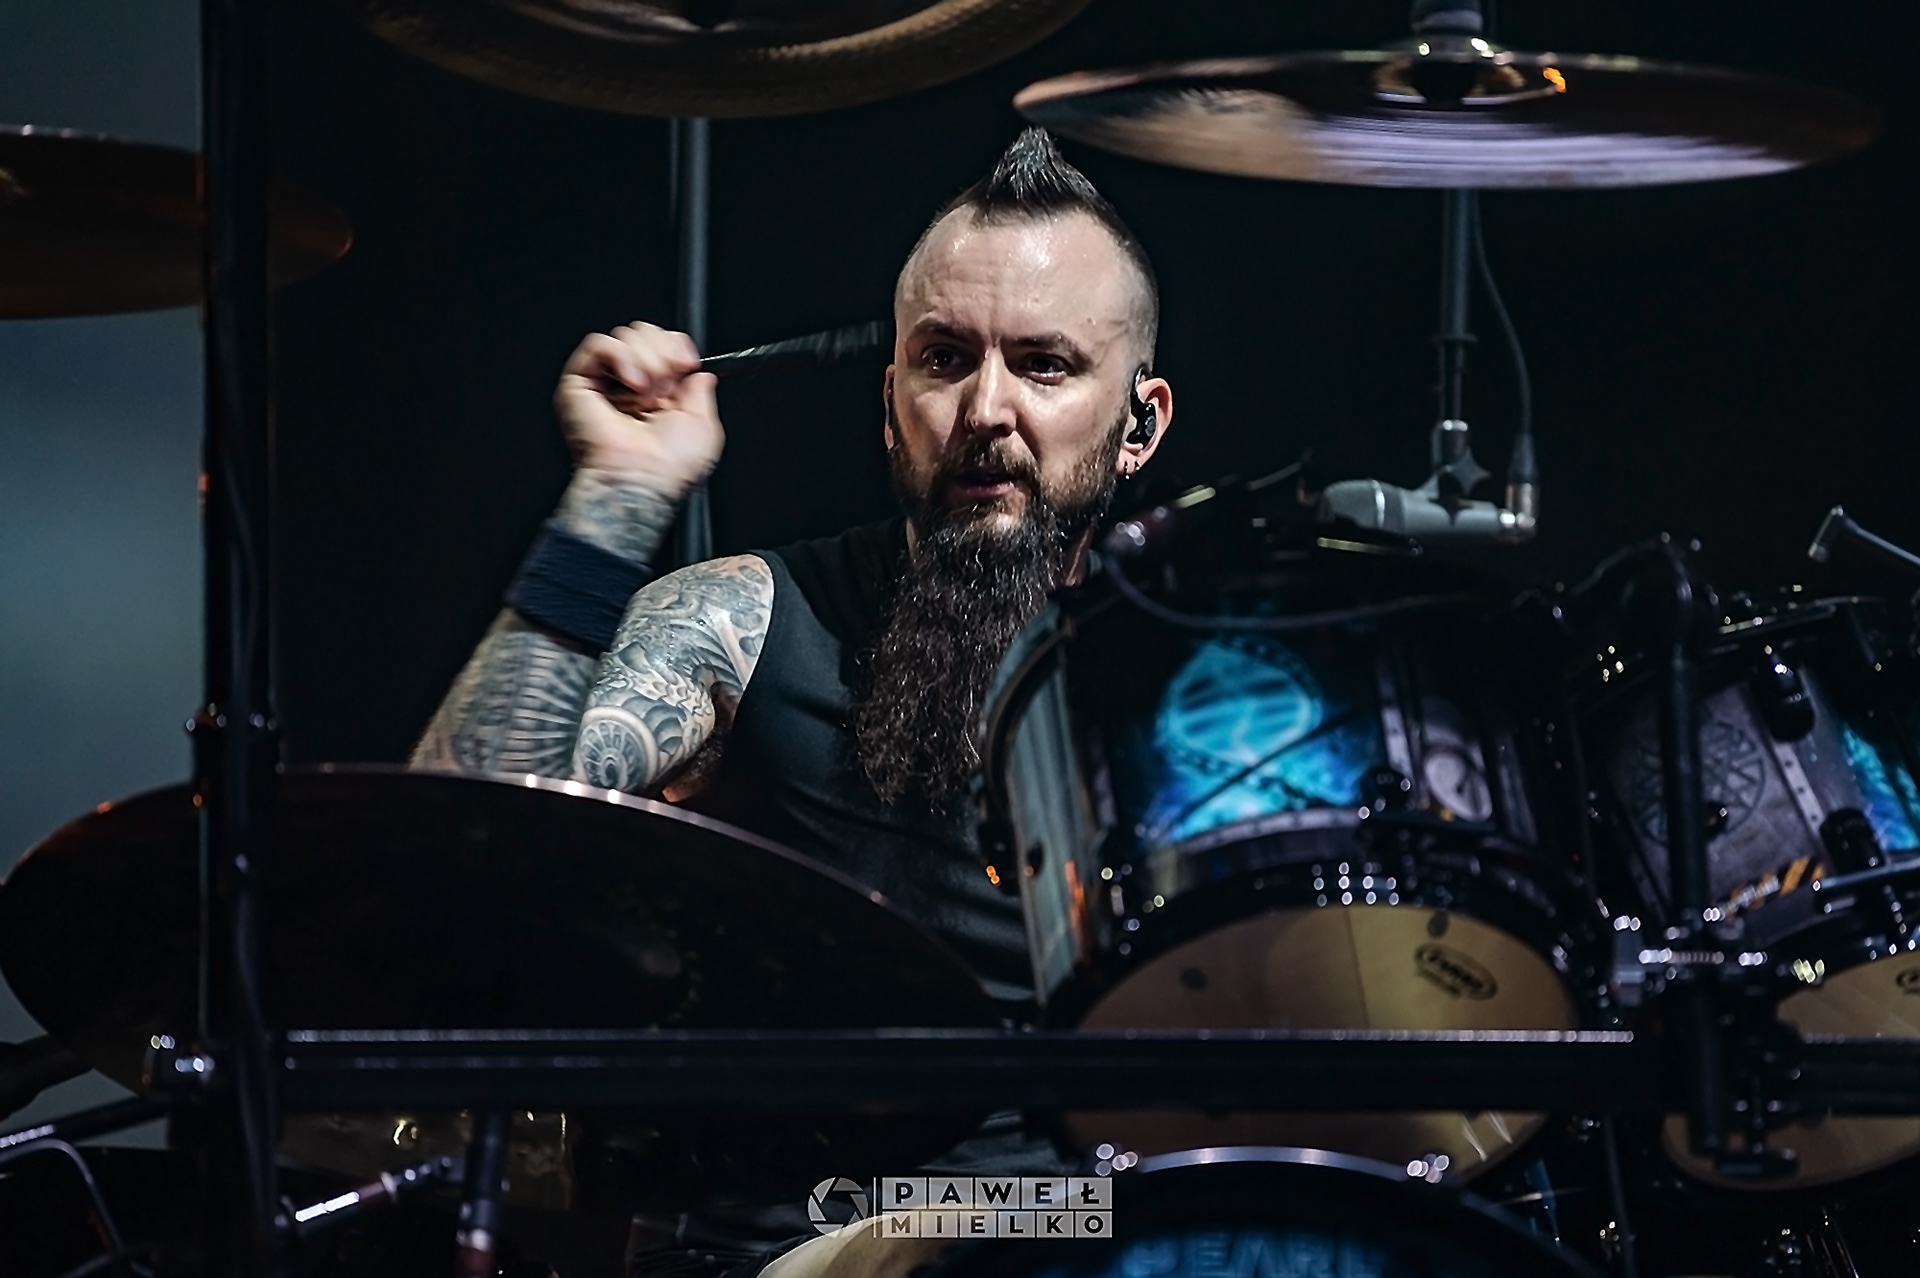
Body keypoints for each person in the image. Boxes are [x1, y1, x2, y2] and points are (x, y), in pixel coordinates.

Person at [412, 126, 1173, 1278]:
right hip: (795, 1249)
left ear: (1140, 426)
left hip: (1089, 1228)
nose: (986, 407)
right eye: (944, 359)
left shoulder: (1194, 684)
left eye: (1045, 366)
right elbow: (459, 836)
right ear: (890, 401)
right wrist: (617, 494)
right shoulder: (746, 619)